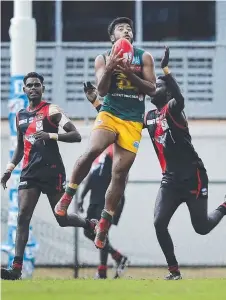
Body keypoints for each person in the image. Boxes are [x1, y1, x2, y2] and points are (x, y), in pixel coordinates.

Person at [82, 46, 226, 280]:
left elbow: (180, 98)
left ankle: (224, 207)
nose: (154, 87)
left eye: (159, 85)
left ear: (167, 93)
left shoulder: (174, 110)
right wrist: (96, 103)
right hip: (169, 180)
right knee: (159, 224)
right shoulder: (148, 117)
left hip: (193, 176)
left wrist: (165, 70)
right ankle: (174, 271)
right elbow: (122, 128)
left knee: (201, 228)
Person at [54, 17, 156, 249]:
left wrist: (130, 73)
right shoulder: (102, 57)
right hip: (109, 112)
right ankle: (67, 196)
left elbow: (152, 89)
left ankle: (104, 224)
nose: (127, 31)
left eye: (129, 28)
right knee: (93, 149)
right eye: (121, 29)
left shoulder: (144, 57)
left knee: (119, 173)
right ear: (112, 37)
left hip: (132, 120)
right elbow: (101, 89)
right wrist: (110, 68)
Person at [1, 72, 96, 280]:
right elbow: (19, 148)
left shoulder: (51, 110)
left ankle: (89, 224)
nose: (33, 88)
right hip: (29, 173)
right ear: (24, 90)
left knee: (61, 218)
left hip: (52, 171)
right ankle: (16, 268)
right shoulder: (20, 116)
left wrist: (51, 135)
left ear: (42, 88)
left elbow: (76, 135)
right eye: (30, 85)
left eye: (37, 85)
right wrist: (8, 170)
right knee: (22, 217)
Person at [78, 144, 128, 279]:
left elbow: (122, 174)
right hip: (94, 200)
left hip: (108, 201)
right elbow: (92, 176)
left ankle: (102, 271)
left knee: (101, 233)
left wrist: (119, 201)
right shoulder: (99, 151)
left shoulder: (116, 150)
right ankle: (118, 257)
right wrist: (82, 197)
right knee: (88, 232)